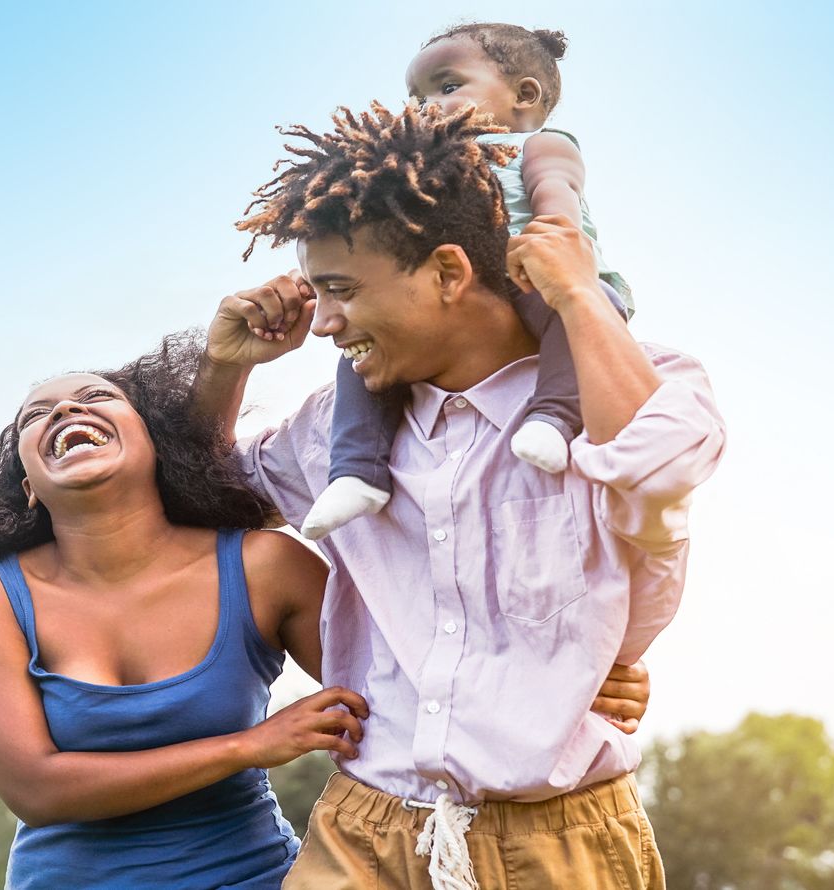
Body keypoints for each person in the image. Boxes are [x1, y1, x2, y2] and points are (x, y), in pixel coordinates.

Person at [201, 99, 724, 889]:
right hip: (361, 833)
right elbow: (199, 501)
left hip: (561, 843)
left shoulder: (643, 381)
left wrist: (579, 295)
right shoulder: (332, 431)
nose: (325, 324)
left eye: (341, 289)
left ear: (449, 271)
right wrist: (226, 366)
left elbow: (657, 474)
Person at [0, 335, 654, 888]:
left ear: (154, 441)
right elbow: (36, 789)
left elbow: (419, 684)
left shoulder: (262, 565)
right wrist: (253, 745)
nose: (66, 409)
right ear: (29, 485)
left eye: (96, 397)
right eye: (39, 415)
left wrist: (566, 683)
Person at [286, 23, 639, 540]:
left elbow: (557, 191)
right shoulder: (427, 167)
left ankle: (554, 417)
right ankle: (357, 471)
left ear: (524, 95)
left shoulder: (538, 145)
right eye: (416, 96)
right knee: (359, 359)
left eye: (447, 88)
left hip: (540, 270)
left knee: (584, 314)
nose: (426, 106)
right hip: (469, 287)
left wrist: (559, 241)